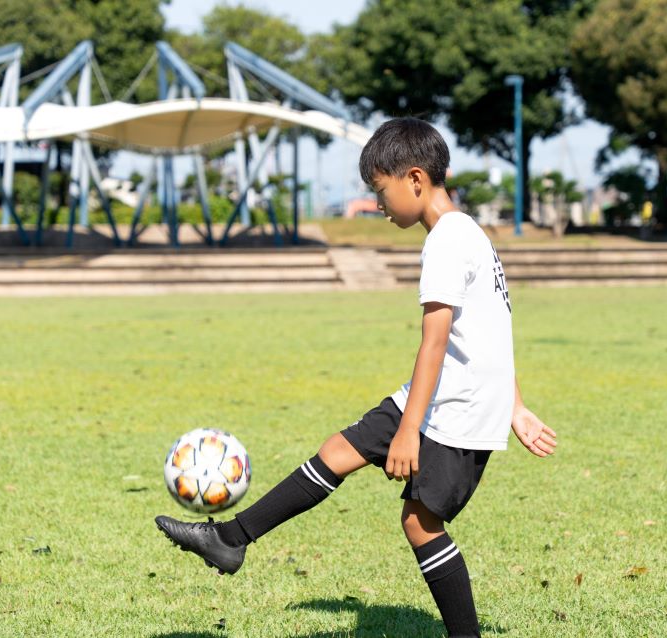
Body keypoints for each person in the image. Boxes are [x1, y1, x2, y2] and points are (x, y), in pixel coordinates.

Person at [155, 117, 557, 638]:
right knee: (338, 451)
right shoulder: (467, 232)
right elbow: (487, 329)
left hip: (454, 405)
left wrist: (412, 429)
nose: (380, 206)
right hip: (443, 396)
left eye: (381, 191)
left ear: (415, 179)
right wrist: (517, 405)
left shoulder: (447, 243)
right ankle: (230, 539)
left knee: (420, 523)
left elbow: (435, 342)